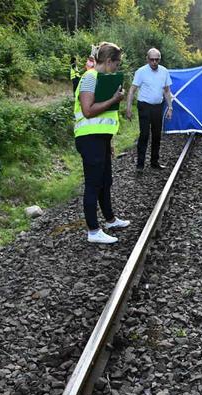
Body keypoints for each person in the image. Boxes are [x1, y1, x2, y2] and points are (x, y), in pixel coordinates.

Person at [74, 42, 130, 244]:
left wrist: (109, 141)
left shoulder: (101, 78)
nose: (117, 68)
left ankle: (110, 220)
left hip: (101, 139)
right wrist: (114, 99)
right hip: (89, 139)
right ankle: (93, 230)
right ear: (108, 61)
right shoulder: (90, 78)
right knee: (93, 184)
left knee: (106, 181)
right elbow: (88, 110)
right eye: (116, 64)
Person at [125, 48, 173, 172]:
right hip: (144, 106)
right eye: (152, 60)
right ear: (147, 59)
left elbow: (167, 91)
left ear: (160, 60)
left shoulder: (164, 71)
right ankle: (140, 164)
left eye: (157, 60)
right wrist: (128, 108)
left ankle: (154, 162)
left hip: (158, 106)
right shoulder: (141, 72)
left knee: (157, 135)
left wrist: (170, 107)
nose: (154, 62)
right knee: (144, 135)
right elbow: (132, 90)